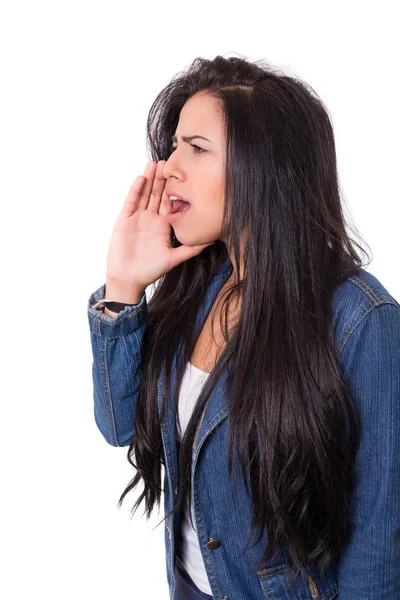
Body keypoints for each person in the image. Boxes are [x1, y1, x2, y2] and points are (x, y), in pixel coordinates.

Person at [87, 55, 400, 600]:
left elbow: (378, 540)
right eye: (174, 145)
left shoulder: (361, 322)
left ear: (265, 168)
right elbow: (118, 425)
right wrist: (122, 288)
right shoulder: (198, 286)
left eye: (197, 149)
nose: (168, 167)